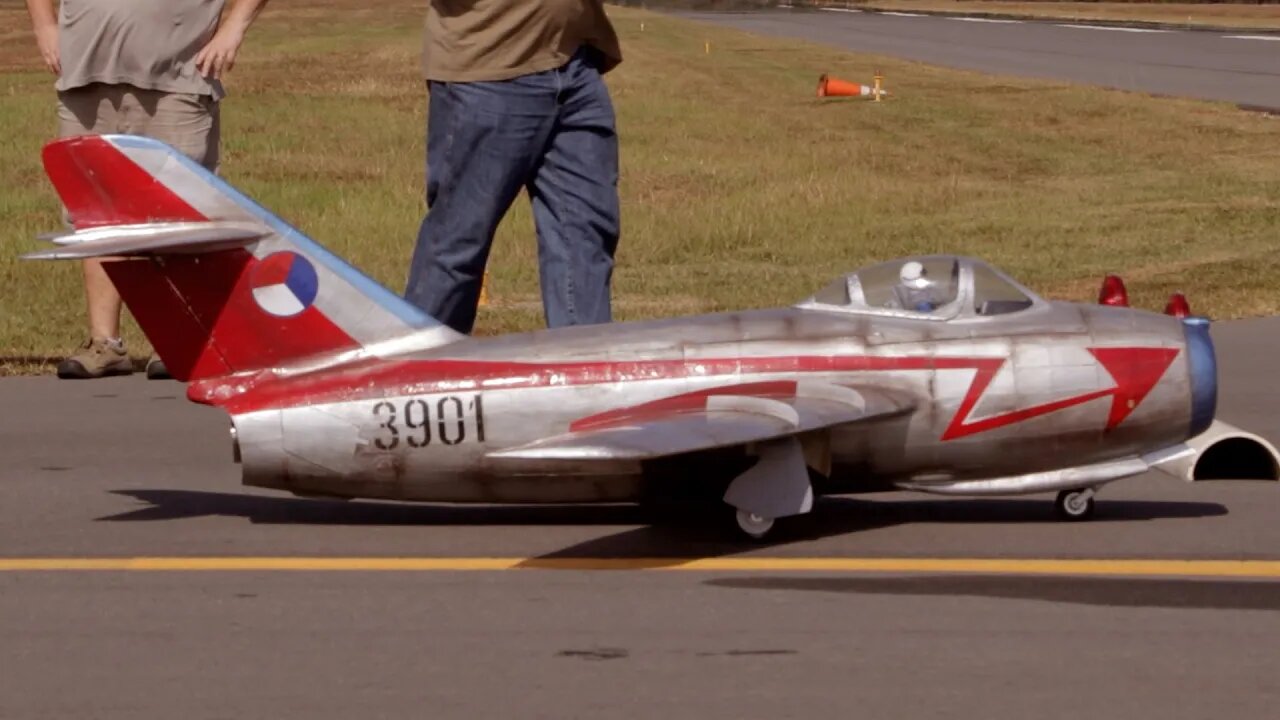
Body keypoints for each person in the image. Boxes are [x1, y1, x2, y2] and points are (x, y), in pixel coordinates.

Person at [26, 0, 269, 379]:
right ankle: (104, 344)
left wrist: (234, 27)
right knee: (96, 214)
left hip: (177, 78)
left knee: (178, 214)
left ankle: (176, 341)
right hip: (85, 74)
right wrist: (44, 25)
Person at [405, 1, 623, 334]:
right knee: (457, 245)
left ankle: (583, 374)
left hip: (574, 61)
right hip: (489, 69)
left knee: (586, 237)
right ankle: (415, 376)